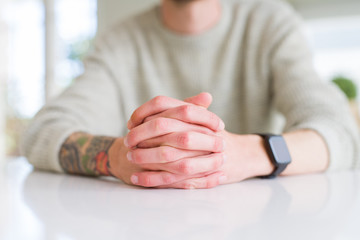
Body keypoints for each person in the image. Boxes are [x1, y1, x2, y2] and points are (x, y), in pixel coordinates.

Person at [22, 0, 359, 189]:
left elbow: (341, 131)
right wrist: (117, 155)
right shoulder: (120, 42)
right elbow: (40, 133)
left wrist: (247, 152)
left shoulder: (271, 23)